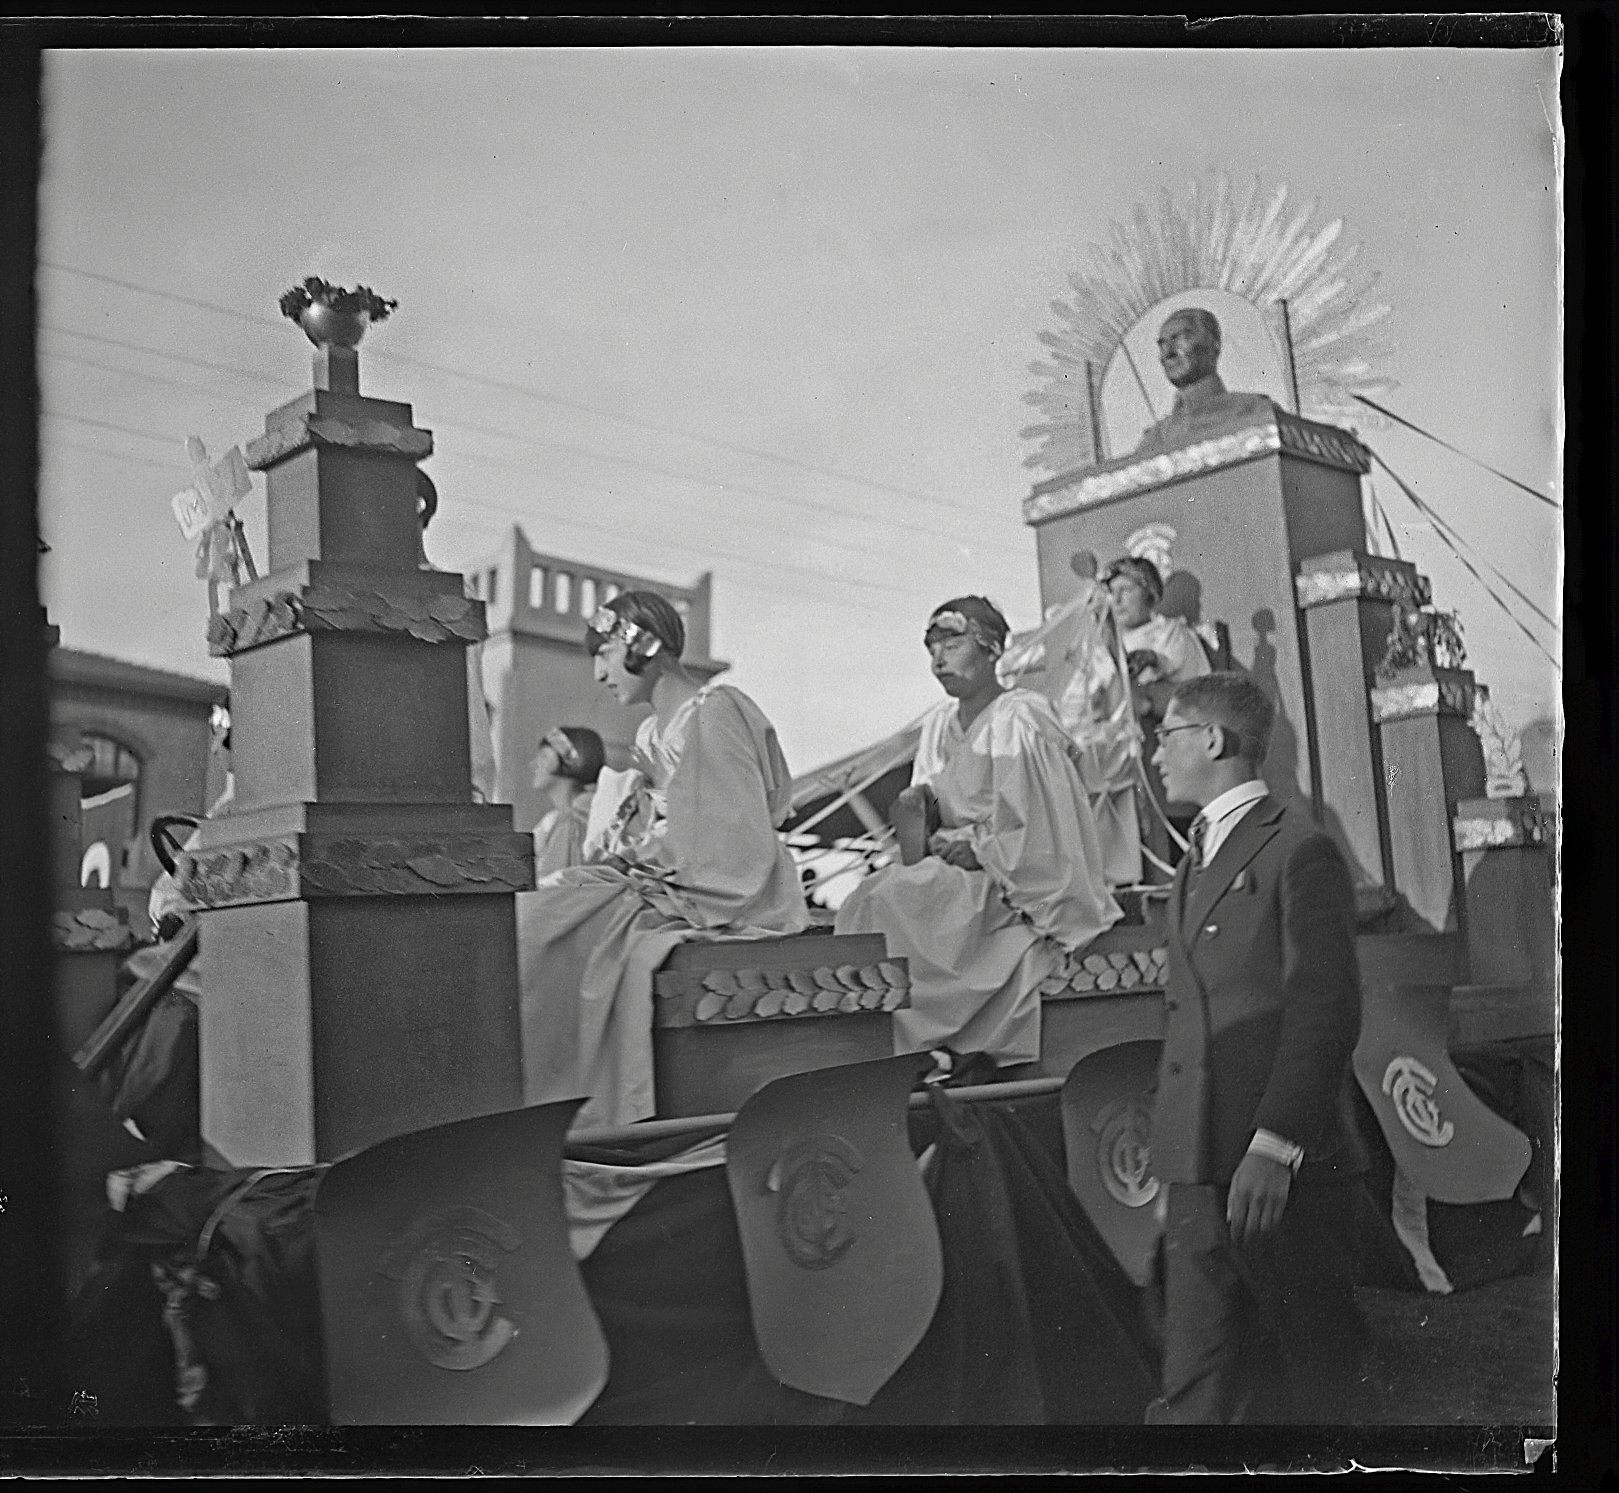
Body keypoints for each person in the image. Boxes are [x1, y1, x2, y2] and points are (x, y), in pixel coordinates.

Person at [1145, 672, 1369, 1423]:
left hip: (1275, 1167)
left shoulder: (1297, 849)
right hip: (1199, 1166)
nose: (1153, 754)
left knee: (1312, 1376)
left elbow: (1324, 1007)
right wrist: (1177, 1162)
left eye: (1165, 733)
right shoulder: (1195, 858)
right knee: (1196, 1381)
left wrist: (1274, 1145)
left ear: (1211, 739)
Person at [515, 590, 809, 1128]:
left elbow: (731, 842)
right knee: (543, 901)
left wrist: (642, 864)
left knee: (543, 921)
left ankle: (572, 1111)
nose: (600, 673)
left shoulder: (716, 710)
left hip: (722, 889)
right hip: (672, 878)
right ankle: (549, 1097)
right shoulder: (653, 734)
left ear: (641, 645)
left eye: (604, 654)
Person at [835, 597, 1121, 1068]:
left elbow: (1045, 832)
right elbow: (925, 820)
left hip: (1009, 881)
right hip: (953, 874)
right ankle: (902, 1044)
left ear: (990, 650)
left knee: (886, 899)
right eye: (931, 648)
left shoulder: (1021, 716)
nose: (938, 658)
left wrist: (976, 850)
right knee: (871, 897)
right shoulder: (937, 727)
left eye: (952, 642)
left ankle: (934, 1047)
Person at [1133, 307, 1274, 457]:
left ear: (1214, 345)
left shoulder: (1254, 411)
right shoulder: (1154, 440)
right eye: (1162, 344)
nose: (1168, 353)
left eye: (1180, 339)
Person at [530, 725, 605, 876]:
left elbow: (552, 884)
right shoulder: (554, 819)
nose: (533, 764)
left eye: (543, 756)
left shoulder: (573, 819)